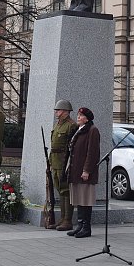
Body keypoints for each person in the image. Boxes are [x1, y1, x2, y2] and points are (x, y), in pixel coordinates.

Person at [65, 107, 100, 238]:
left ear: (87, 118)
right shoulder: (79, 130)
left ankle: (86, 227)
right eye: (78, 115)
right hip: (75, 171)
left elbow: (92, 153)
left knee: (85, 199)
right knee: (79, 199)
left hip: (84, 173)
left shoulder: (92, 130)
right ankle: (80, 225)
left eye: (80, 116)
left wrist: (86, 170)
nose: (78, 117)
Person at [48, 99, 77, 231]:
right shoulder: (58, 124)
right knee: (60, 190)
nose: (56, 112)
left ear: (65, 112)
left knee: (66, 191)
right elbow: (53, 145)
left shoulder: (71, 125)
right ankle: (62, 219)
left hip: (64, 161)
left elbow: (72, 147)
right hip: (55, 161)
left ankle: (67, 220)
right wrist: (49, 162)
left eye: (58, 110)